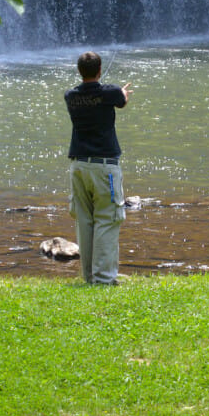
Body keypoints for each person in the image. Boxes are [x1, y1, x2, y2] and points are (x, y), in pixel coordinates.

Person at [65, 51, 132, 285]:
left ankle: (89, 276)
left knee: (84, 220)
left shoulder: (70, 96)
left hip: (78, 165)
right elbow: (121, 100)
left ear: (79, 71)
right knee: (108, 217)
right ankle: (103, 279)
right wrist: (123, 93)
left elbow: (97, 97)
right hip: (104, 167)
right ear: (100, 70)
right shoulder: (110, 93)